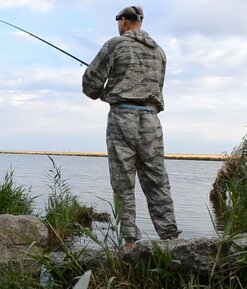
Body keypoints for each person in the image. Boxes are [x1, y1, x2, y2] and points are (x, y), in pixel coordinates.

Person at [82, 5, 181, 249]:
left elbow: (90, 86)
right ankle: (171, 239)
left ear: (125, 21)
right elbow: (158, 86)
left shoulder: (115, 45)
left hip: (122, 117)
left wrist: (107, 91)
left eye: (118, 19)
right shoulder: (160, 52)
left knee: (123, 181)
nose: (118, 23)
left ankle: (130, 242)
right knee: (157, 181)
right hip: (151, 119)